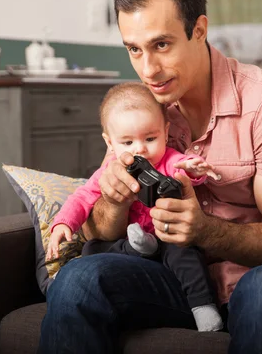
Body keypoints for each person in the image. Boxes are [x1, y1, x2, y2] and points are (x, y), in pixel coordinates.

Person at [39, 0, 262, 354]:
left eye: (161, 45)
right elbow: (101, 230)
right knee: (79, 276)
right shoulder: (145, 112)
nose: (148, 69)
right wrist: (113, 201)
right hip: (180, 278)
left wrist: (203, 230)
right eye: (134, 49)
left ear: (199, 30)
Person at [45, 82, 223, 332]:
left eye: (151, 138)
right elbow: (82, 197)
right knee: (91, 249)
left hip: (166, 237)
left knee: (187, 253)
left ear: (165, 130)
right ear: (110, 142)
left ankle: (202, 306)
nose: (140, 149)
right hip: (128, 245)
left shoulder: (168, 159)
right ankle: (138, 248)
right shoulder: (109, 171)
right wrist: (63, 223)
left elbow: (184, 166)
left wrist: (195, 168)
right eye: (127, 142)